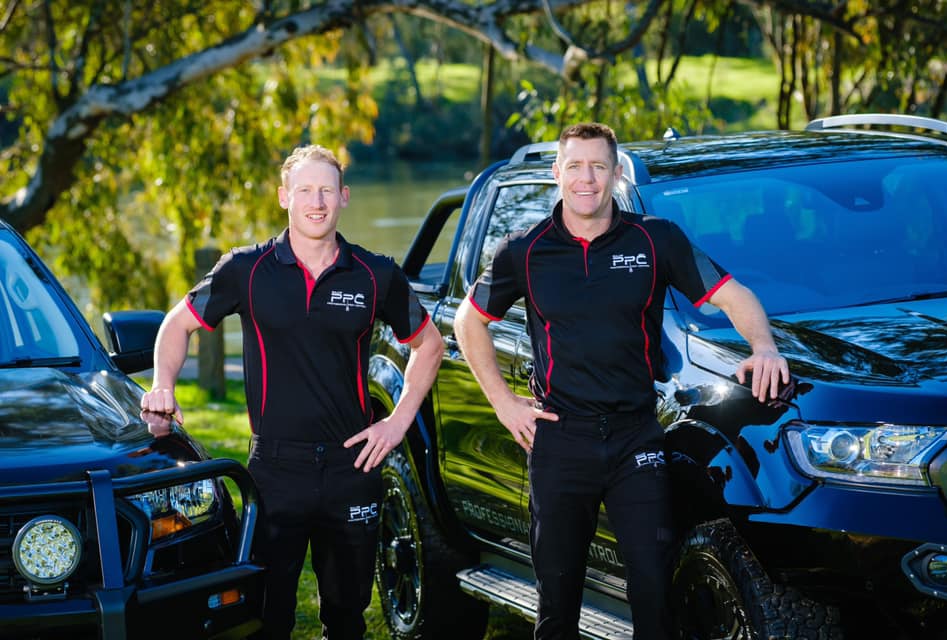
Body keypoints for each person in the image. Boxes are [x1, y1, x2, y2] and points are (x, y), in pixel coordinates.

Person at [453, 122, 789, 639]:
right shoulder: (524, 250)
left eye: (598, 166)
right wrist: (503, 404)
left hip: (636, 439)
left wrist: (764, 347)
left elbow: (732, 294)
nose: (585, 178)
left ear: (614, 173)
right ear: (556, 173)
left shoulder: (656, 239)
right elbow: (468, 320)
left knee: (654, 594)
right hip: (561, 441)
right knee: (557, 602)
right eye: (574, 166)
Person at [141, 144, 443, 640]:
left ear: (344, 197)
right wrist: (162, 384)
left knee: (347, 620)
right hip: (276, 471)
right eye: (305, 190)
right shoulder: (246, 269)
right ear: (285, 197)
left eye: (327, 190)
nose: (316, 201)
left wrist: (397, 422)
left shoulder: (375, 275)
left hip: (354, 467)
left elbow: (429, 346)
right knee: (266, 619)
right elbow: (177, 326)